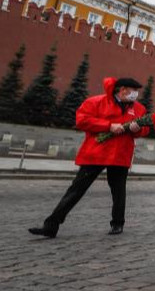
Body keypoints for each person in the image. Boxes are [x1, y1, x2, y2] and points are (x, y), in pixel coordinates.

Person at [28, 77, 148, 238]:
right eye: (133, 91)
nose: (136, 94)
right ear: (122, 90)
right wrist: (108, 126)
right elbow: (82, 120)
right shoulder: (96, 102)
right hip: (96, 153)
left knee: (119, 191)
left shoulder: (139, 109)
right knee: (76, 190)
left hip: (120, 154)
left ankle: (117, 223)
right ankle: (51, 225)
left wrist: (137, 129)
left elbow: (145, 130)